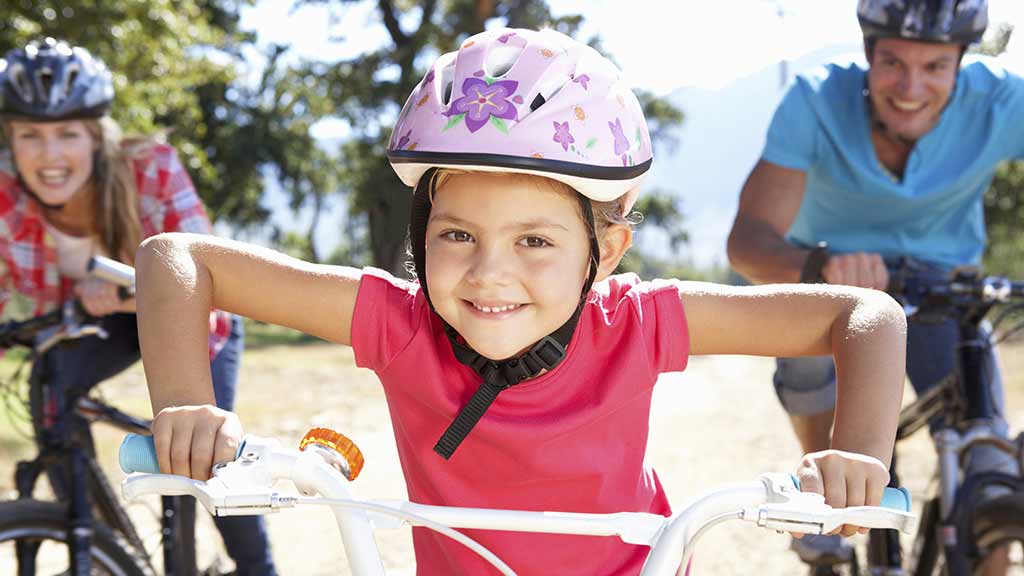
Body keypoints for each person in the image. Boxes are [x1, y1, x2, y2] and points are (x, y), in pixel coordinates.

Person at [135, 28, 907, 575]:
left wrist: (861, 454)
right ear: (421, 231)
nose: (488, 275)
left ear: (602, 252)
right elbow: (176, 258)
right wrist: (185, 404)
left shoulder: (637, 323)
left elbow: (862, 316)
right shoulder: (399, 324)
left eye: (535, 242)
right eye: (457, 235)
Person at [727, 0, 1021, 571]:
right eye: (893, 63)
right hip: (832, 276)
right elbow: (749, 243)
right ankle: (821, 492)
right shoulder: (816, 100)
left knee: (992, 473)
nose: (911, 87)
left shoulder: (1003, 101)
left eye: (935, 67)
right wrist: (819, 269)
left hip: (945, 283)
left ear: (962, 61)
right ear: (867, 54)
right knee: (812, 327)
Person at [0, 38, 277, 575]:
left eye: (67, 135)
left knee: (207, 445)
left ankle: (257, 566)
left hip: (197, 315)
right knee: (49, 386)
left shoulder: (151, 168)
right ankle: (98, 539)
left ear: (96, 136)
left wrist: (131, 295)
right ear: (11, 141)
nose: (49, 155)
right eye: (30, 135)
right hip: (98, 324)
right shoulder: (6, 192)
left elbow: (213, 278)